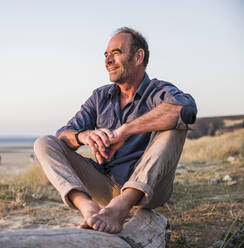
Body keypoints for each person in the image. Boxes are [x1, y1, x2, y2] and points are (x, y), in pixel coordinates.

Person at [34, 27, 197, 234]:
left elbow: (185, 110)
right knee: (44, 143)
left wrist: (124, 131)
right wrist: (83, 136)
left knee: (174, 127)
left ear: (138, 57)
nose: (108, 60)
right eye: (106, 55)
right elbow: (64, 134)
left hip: (149, 189)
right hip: (106, 185)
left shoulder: (157, 91)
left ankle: (121, 207)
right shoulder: (100, 97)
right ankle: (88, 207)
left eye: (116, 53)